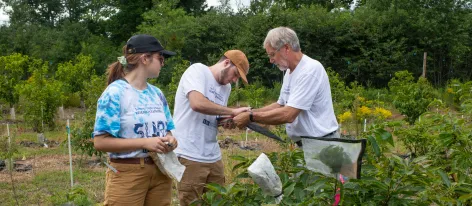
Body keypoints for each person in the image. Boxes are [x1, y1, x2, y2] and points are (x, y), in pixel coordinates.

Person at [93, 34, 178, 206]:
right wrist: (145, 143)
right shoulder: (115, 93)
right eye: (160, 58)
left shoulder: (157, 94)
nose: (163, 63)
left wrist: (171, 139)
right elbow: (100, 142)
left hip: (161, 170)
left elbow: (168, 128)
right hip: (128, 173)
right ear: (145, 58)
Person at [233, 27, 339, 146]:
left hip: (323, 144)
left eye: (272, 54)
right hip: (307, 144)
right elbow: (280, 105)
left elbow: (288, 114)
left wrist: (250, 117)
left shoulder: (310, 70)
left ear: (286, 48)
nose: (271, 60)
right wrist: (249, 111)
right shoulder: (289, 72)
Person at [173, 50, 250, 206]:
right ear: (227, 63)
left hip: (212, 155)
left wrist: (228, 120)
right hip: (189, 153)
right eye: (235, 74)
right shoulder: (197, 71)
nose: (234, 80)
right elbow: (197, 103)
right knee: (191, 202)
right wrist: (232, 111)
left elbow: (215, 116)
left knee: (219, 201)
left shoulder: (226, 88)